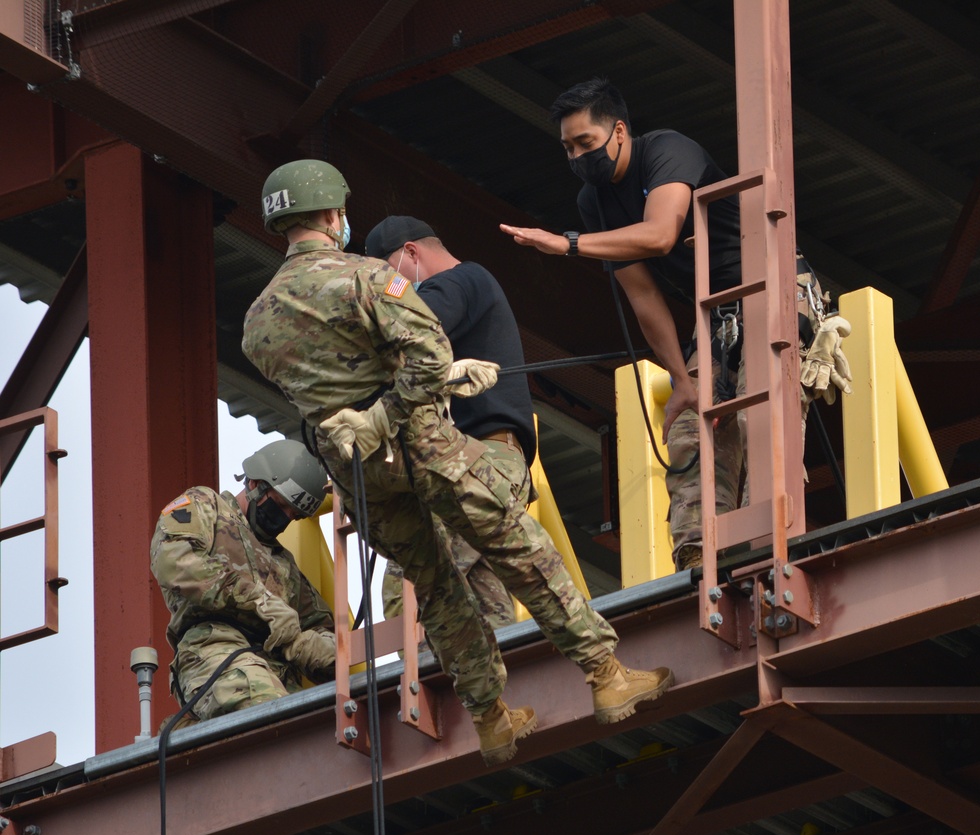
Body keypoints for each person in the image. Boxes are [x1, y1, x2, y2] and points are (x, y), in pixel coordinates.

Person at [242, 159, 673, 766]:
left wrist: (360, 424)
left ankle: (492, 719)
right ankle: (606, 674)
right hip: (423, 446)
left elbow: (313, 406)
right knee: (516, 546)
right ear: (333, 214)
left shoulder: (256, 321)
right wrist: (391, 410)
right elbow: (427, 357)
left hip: (362, 475)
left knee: (437, 590)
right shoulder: (367, 279)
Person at [500, 77, 850, 571]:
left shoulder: (665, 150)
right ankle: (699, 557)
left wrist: (568, 245)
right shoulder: (592, 202)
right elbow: (642, 296)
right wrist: (682, 380)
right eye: (568, 149)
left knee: (758, 413)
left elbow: (661, 234)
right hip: (719, 317)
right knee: (689, 428)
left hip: (772, 290)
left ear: (619, 131)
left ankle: (767, 540)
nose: (578, 157)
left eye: (586, 143)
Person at [365, 214, 536, 633]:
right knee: (482, 600)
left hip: (473, 459)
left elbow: (411, 326)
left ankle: (419, 683)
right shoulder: (470, 288)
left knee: (414, 577)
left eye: (388, 274)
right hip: (489, 463)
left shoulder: (460, 281)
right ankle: (492, 687)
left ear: (411, 253)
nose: (390, 289)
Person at [150, 439, 336, 722]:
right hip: (214, 647)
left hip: (278, 673)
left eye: (294, 516)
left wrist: (305, 645)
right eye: (280, 506)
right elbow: (174, 563)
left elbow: (323, 627)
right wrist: (259, 601)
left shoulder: (284, 565)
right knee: (271, 716)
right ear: (255, 484)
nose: (284, 519)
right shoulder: (207, 507)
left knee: (313, 728)